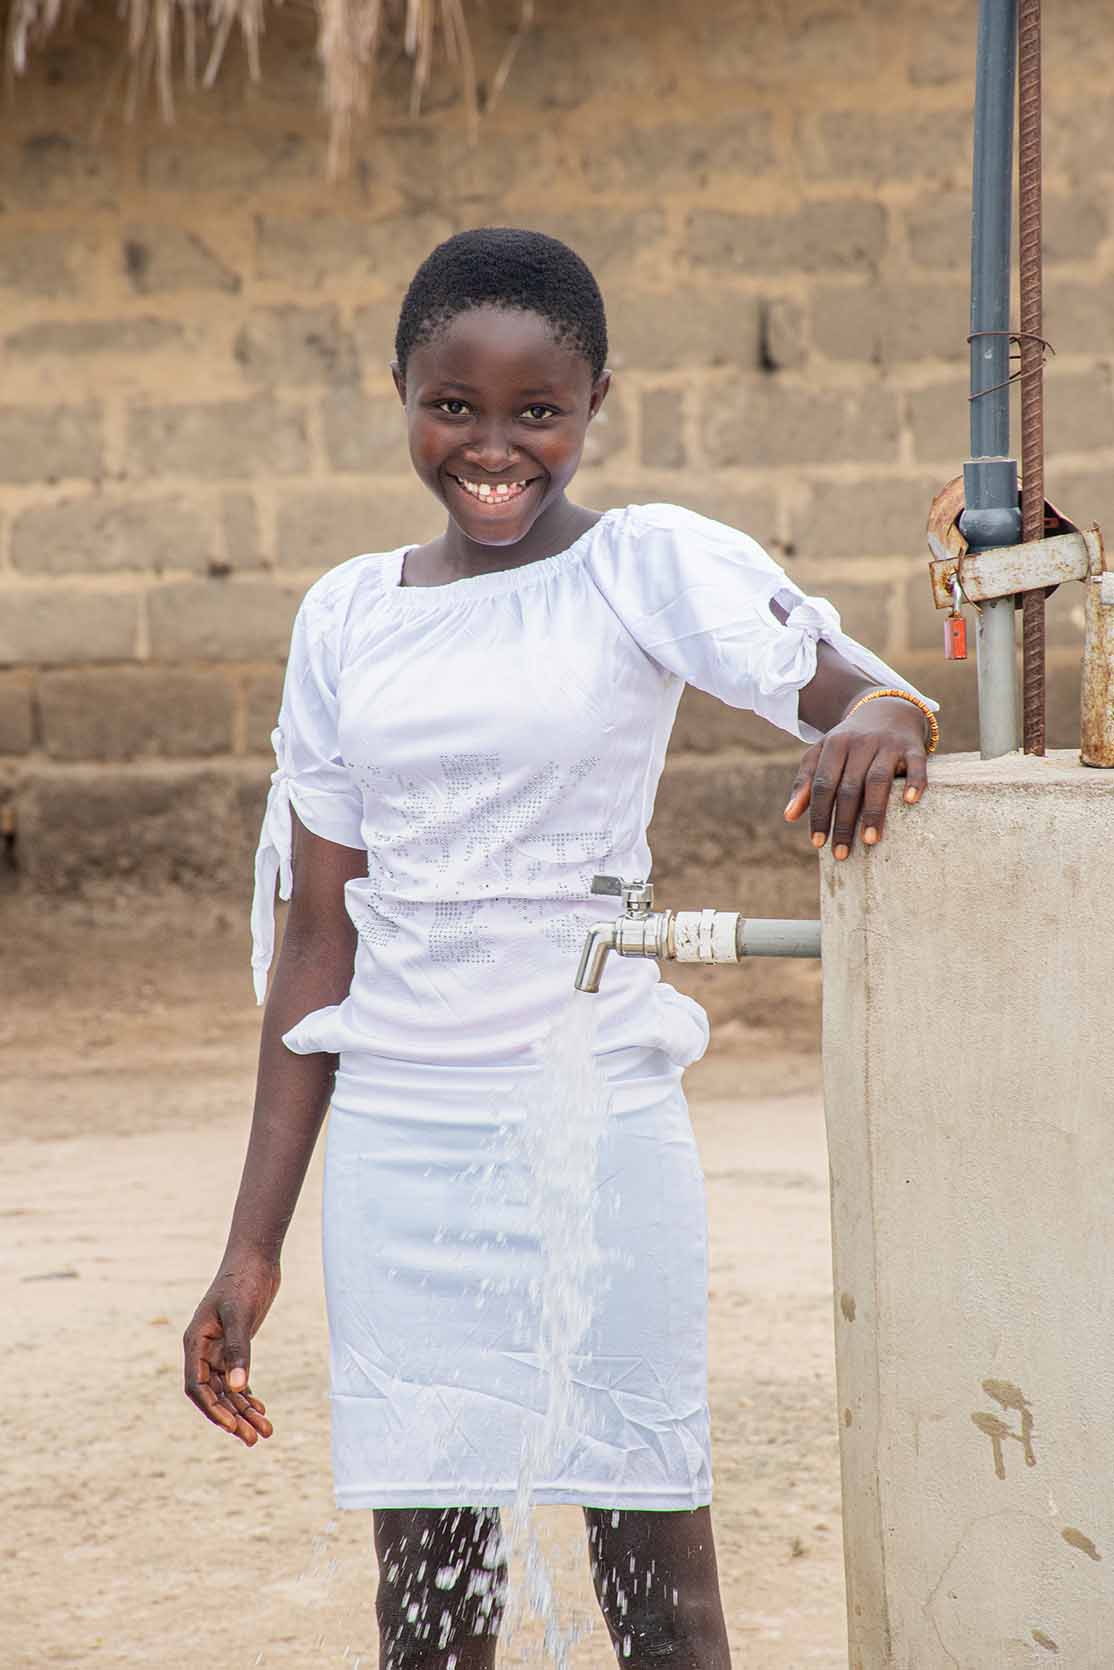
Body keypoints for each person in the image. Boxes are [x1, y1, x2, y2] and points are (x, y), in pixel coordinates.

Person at [183, 227, 937, 1669]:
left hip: (593, 1119)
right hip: (399, 1143)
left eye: (538, 411)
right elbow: (318, 939)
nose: (493, 446)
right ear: (400, 392)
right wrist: (251, 1243)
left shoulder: (643, 566)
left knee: (656, 1575)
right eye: (451, 404)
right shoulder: (345, 615)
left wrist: (878, 720)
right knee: (430, 1596)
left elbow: (862, 695)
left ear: (595, 405)